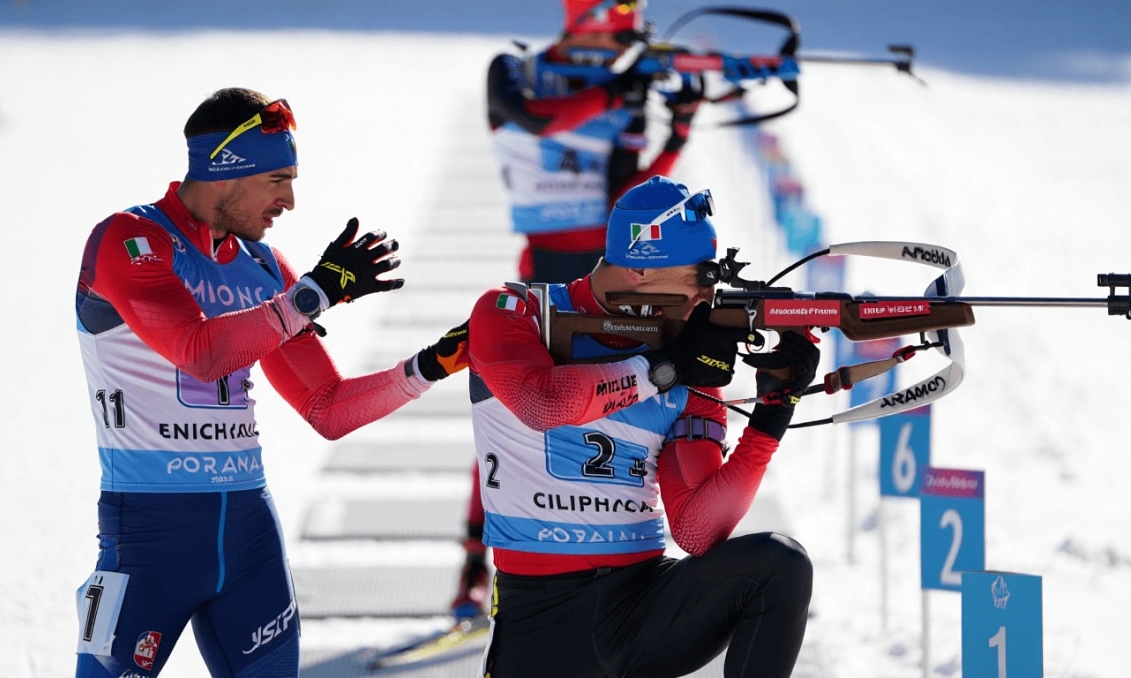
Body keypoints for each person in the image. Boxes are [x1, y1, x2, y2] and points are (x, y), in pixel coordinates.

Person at [72, 87, 468, 677]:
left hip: (249, 535)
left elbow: (327, 408)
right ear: (226, 168)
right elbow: (199, 353)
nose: (289, 200)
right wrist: (310, 298)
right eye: (277, 179)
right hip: (151, 533)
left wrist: (430, 366)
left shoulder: (261, 266)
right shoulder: (131, 240)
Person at [468, 175, 819, 677]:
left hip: (640, 606)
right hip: (538, 619)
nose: (709, 290)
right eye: (700, 274)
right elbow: (541, 404)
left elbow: (697, 531)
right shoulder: (515, 313)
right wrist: (665, 371)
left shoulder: (692, 364)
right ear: (637, 267)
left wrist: (771, 416)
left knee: (779, 566)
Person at [450, 0, 705, 619]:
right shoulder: (515, 70)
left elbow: (626, 195)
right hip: (545, 276)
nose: (628, 20)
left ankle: (613, 555)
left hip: (613, 275)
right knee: (506, 412)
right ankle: (473, 567)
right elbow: (534, 119)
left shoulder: (620, 91)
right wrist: (620, 87)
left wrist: (676, 129)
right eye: (619, 9)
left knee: (629, 407)